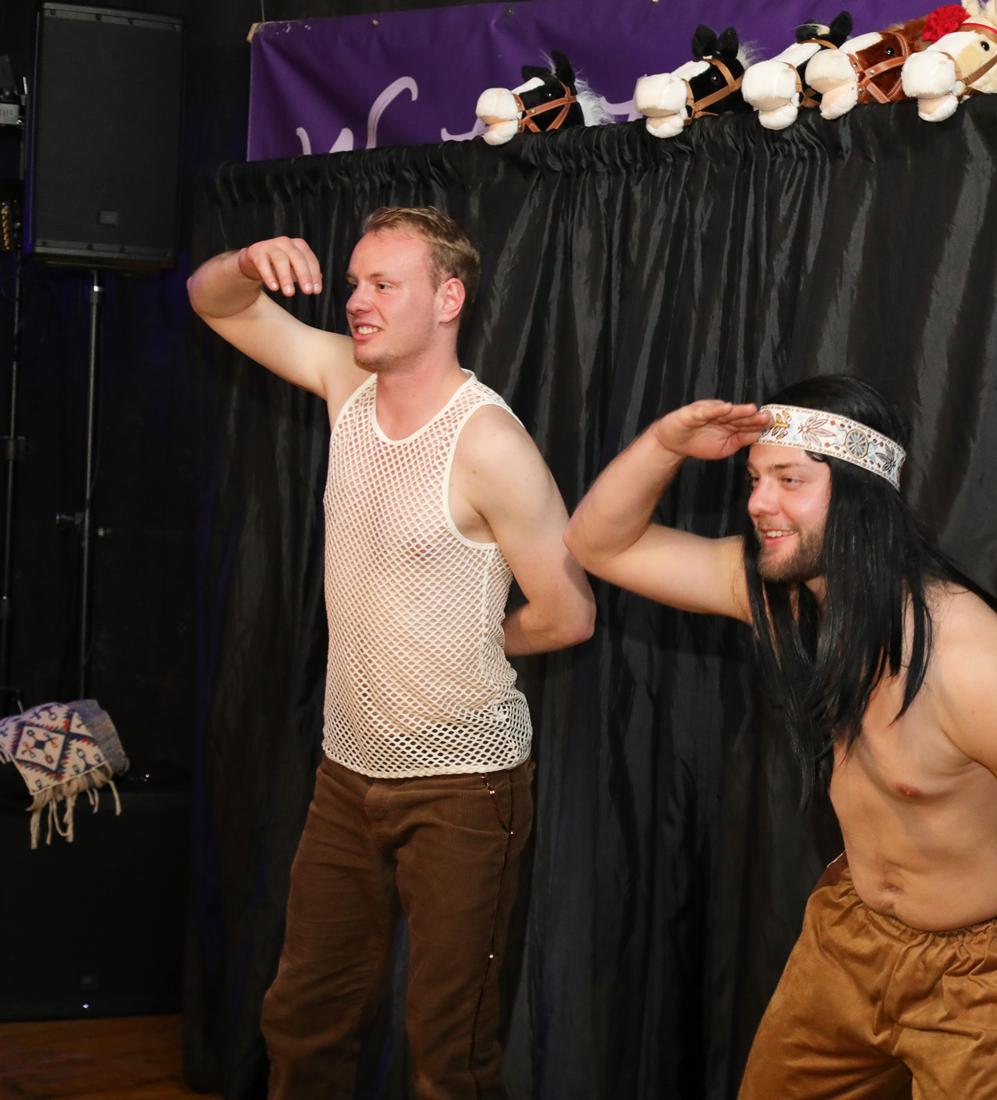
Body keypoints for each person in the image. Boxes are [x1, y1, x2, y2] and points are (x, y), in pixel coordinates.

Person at [564, 374, 997, 1099]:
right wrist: (666, 443)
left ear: (862, 496)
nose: (758, 503)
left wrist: (980, 878)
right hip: (850, 934)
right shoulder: (787, 605)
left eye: (789, 480)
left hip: (982, 971)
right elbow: (597, 545)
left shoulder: (965, 655)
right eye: (755, 480)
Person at [187, 206, 595, 1099]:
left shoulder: (490, 442)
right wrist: (247, 259)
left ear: (448, 299)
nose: (357, 302)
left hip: (464, 789)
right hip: (345, 775)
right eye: (353, 283)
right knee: (303, 1017)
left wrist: (476, 640)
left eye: (383, 285)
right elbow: (213, 302)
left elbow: (567, 614)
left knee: (450, 1049)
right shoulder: (346, 380)